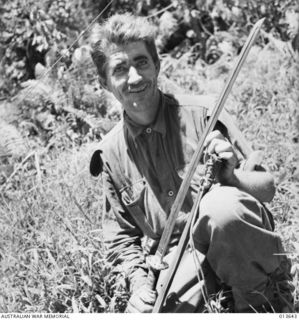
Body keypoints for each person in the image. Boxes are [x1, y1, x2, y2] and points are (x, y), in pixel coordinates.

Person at [89, 13, 294, 313]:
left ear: (156, 65)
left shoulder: (204, 113)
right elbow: (120, 238)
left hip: (239, 243)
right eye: (120, 69)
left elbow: (267, 190)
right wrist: (139, 284)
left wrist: (234, 179)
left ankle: (262, 302)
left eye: (141, 62)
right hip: (178, 260)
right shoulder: (110, 153)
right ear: (105, 83)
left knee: (221, 208)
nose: (134, 77)